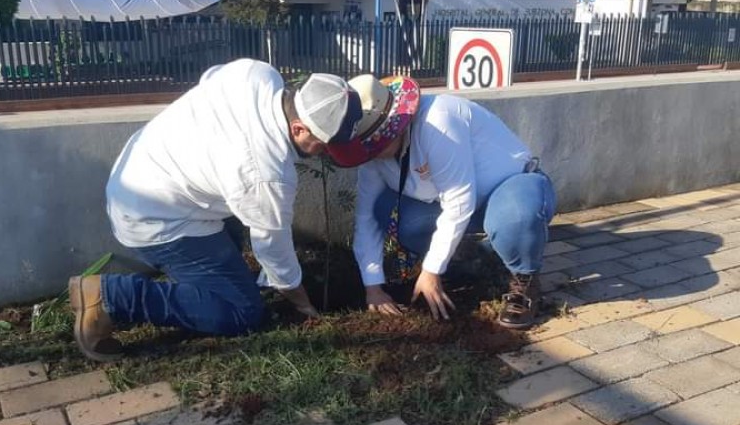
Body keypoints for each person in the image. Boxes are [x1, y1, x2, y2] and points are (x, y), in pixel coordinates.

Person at [68, 58, 363, 362]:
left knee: (237, 241)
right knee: (243, 311)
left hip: (145, 174)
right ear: (299, 127)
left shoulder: (257, 73)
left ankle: (204, 281)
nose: (326, 153)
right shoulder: (266, 175)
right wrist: (302, 304)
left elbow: (210, 78)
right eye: (325, 145)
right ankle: (111, 298)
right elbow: (274, 251)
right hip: (157, 219)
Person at [325, 74, 556, 329]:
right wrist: (373, 287)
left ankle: (525, 279)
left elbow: (459, 199)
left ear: (394, 126)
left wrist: (431, 269)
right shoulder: (373, 159)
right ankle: (469, 260)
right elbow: (366, 217)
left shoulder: (439, 121)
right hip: (455, 203)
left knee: (515, 217)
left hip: (510, 187)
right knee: (386, 208)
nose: (371, 155)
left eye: (375, 145)